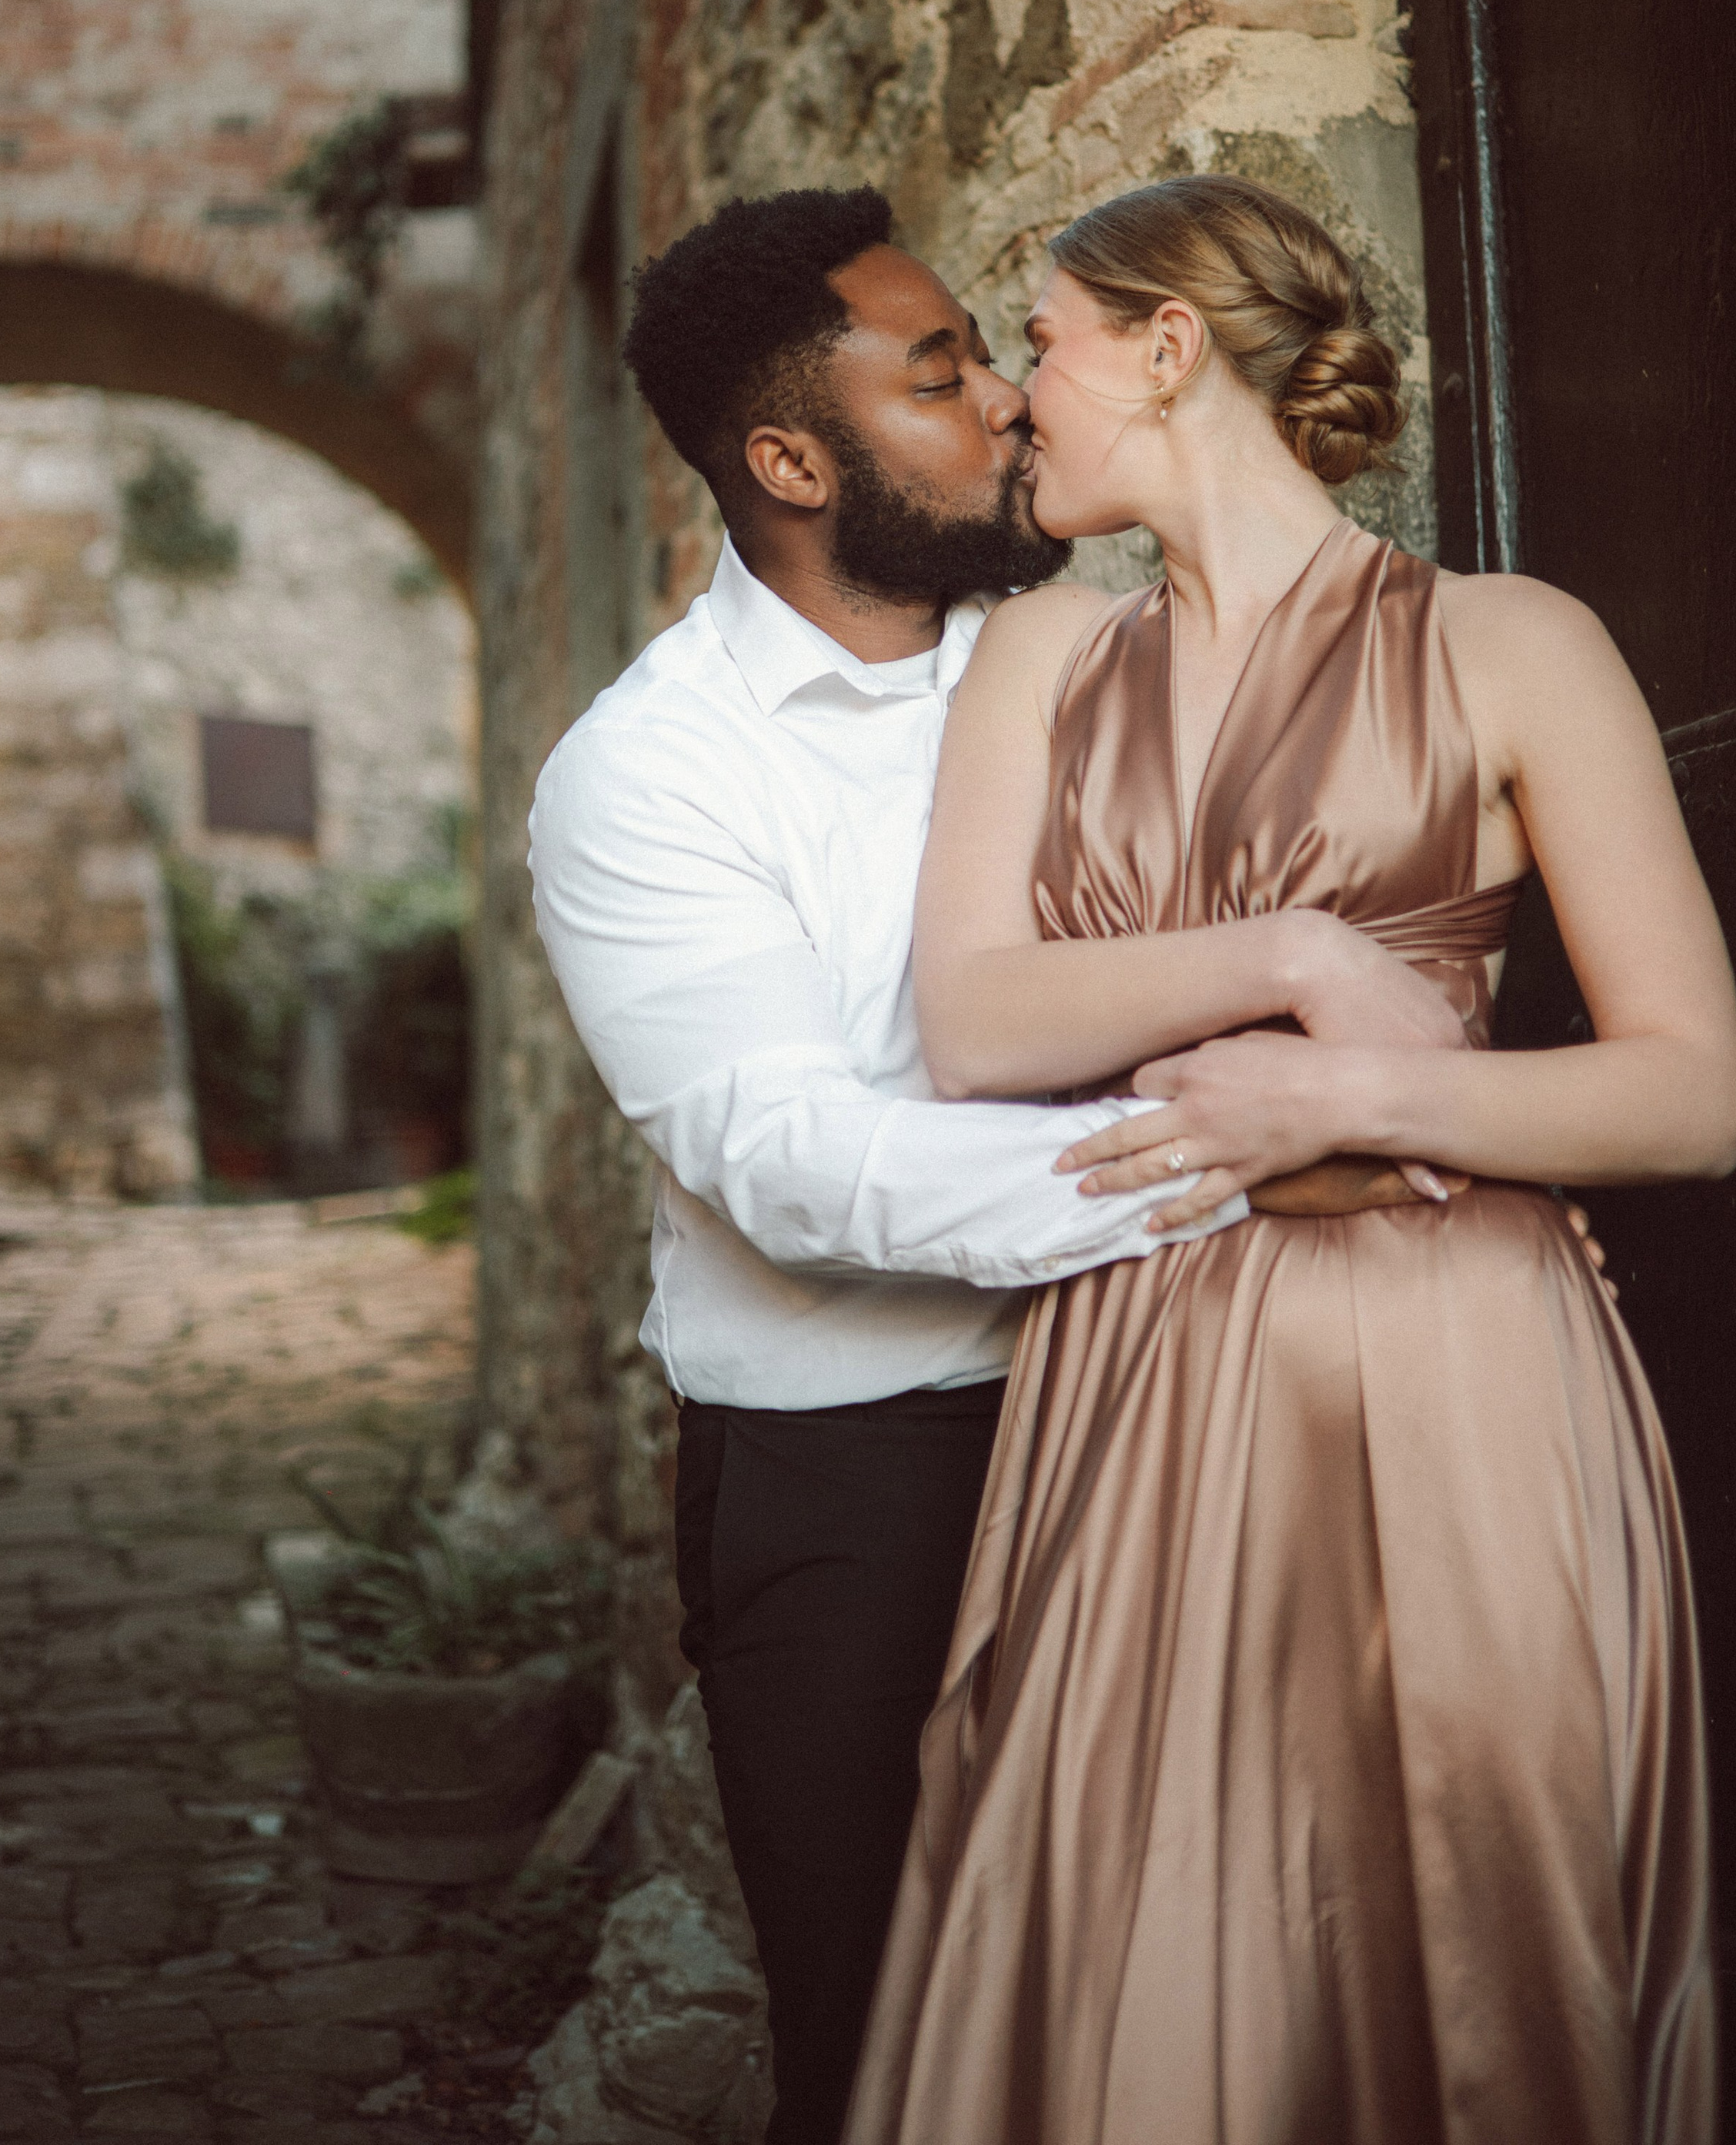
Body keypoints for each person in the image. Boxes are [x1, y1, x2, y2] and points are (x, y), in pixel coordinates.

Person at [528, 186, 1502, 2145]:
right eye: (936, 374)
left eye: (989, 352)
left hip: (1181, 1400)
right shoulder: (648, 774)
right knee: (893, 2046)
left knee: (1183, 2023)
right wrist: (1232, 1160)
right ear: (790, 460)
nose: (997, 404)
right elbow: (783, 1161)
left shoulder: (1101, 660)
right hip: (866, 1471)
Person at [844, 174, 1736, 2145]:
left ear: (1167, 351)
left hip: (1458, 1383)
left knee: (1472, 1931)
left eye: (1044, 345)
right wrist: (1295, 958)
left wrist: (1347, 1095)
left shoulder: (1515, 645)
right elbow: (975, 1021)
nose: (1011, 397)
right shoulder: (1040, 662)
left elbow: (1692, 1094)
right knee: (1149, 1955)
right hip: (1145, 1371)